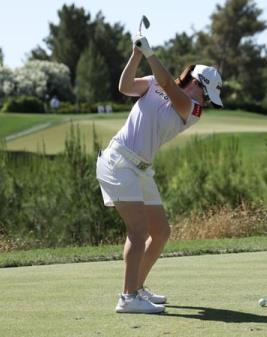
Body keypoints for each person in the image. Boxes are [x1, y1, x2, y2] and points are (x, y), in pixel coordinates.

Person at [96, 34, 223, 314]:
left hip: (141, 169)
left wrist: (150, 51)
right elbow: (125, 86)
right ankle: (128, 298)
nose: (206, 101)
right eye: (206, 94)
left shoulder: (192, 109)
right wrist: (137, 54)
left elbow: (167, 83)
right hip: (118, 161)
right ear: (196, 84)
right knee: (139, 231)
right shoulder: (153, 83)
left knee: (161, 232)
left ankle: (136, 288)